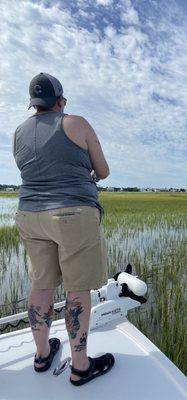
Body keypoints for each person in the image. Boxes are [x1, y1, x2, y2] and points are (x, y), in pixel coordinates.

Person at [12, 72, 115, 386]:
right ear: (60, 100)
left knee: (41, 286)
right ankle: (80, 366)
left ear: (34, 104)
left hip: (29, 214)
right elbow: (104, 170)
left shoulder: (18, 132)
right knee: (77, 289)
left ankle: (42, 355)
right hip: (73, 214)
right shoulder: (76, 122)